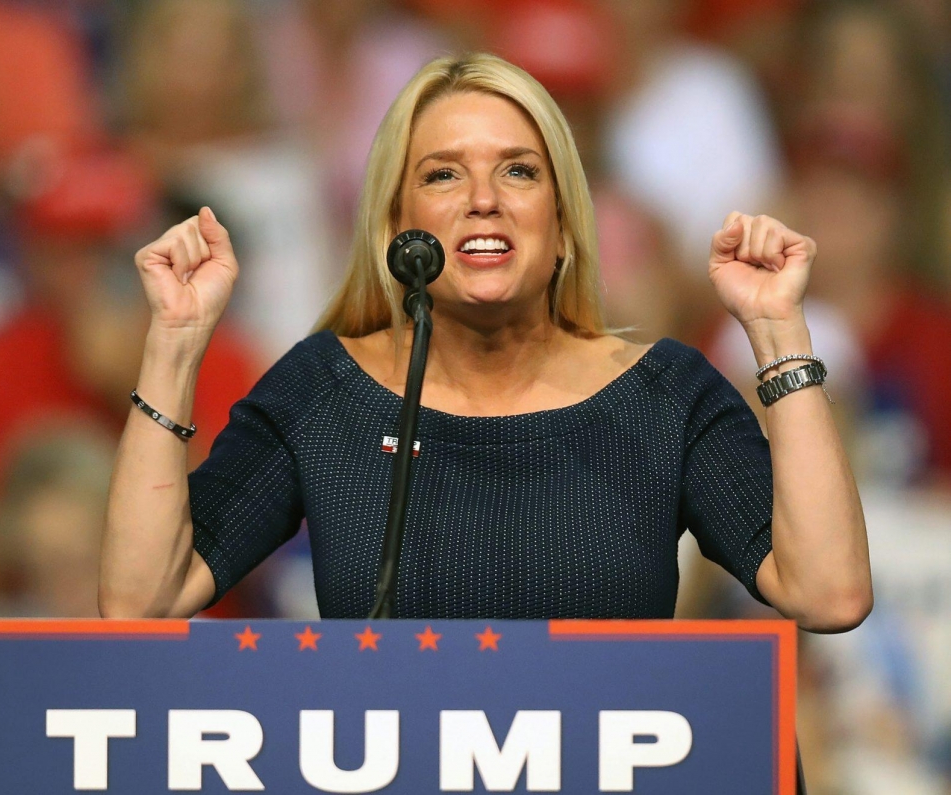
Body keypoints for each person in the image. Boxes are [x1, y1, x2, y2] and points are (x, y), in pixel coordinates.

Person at [99, 53, 871, 629]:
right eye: (442, 176)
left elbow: (827, 593)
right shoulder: (322, 391)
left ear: (564, 224)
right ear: (395, 229)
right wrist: (174, 339)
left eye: (519, 172)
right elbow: (145, 597)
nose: (482, 201)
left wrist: (776, 330)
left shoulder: (665, 394)